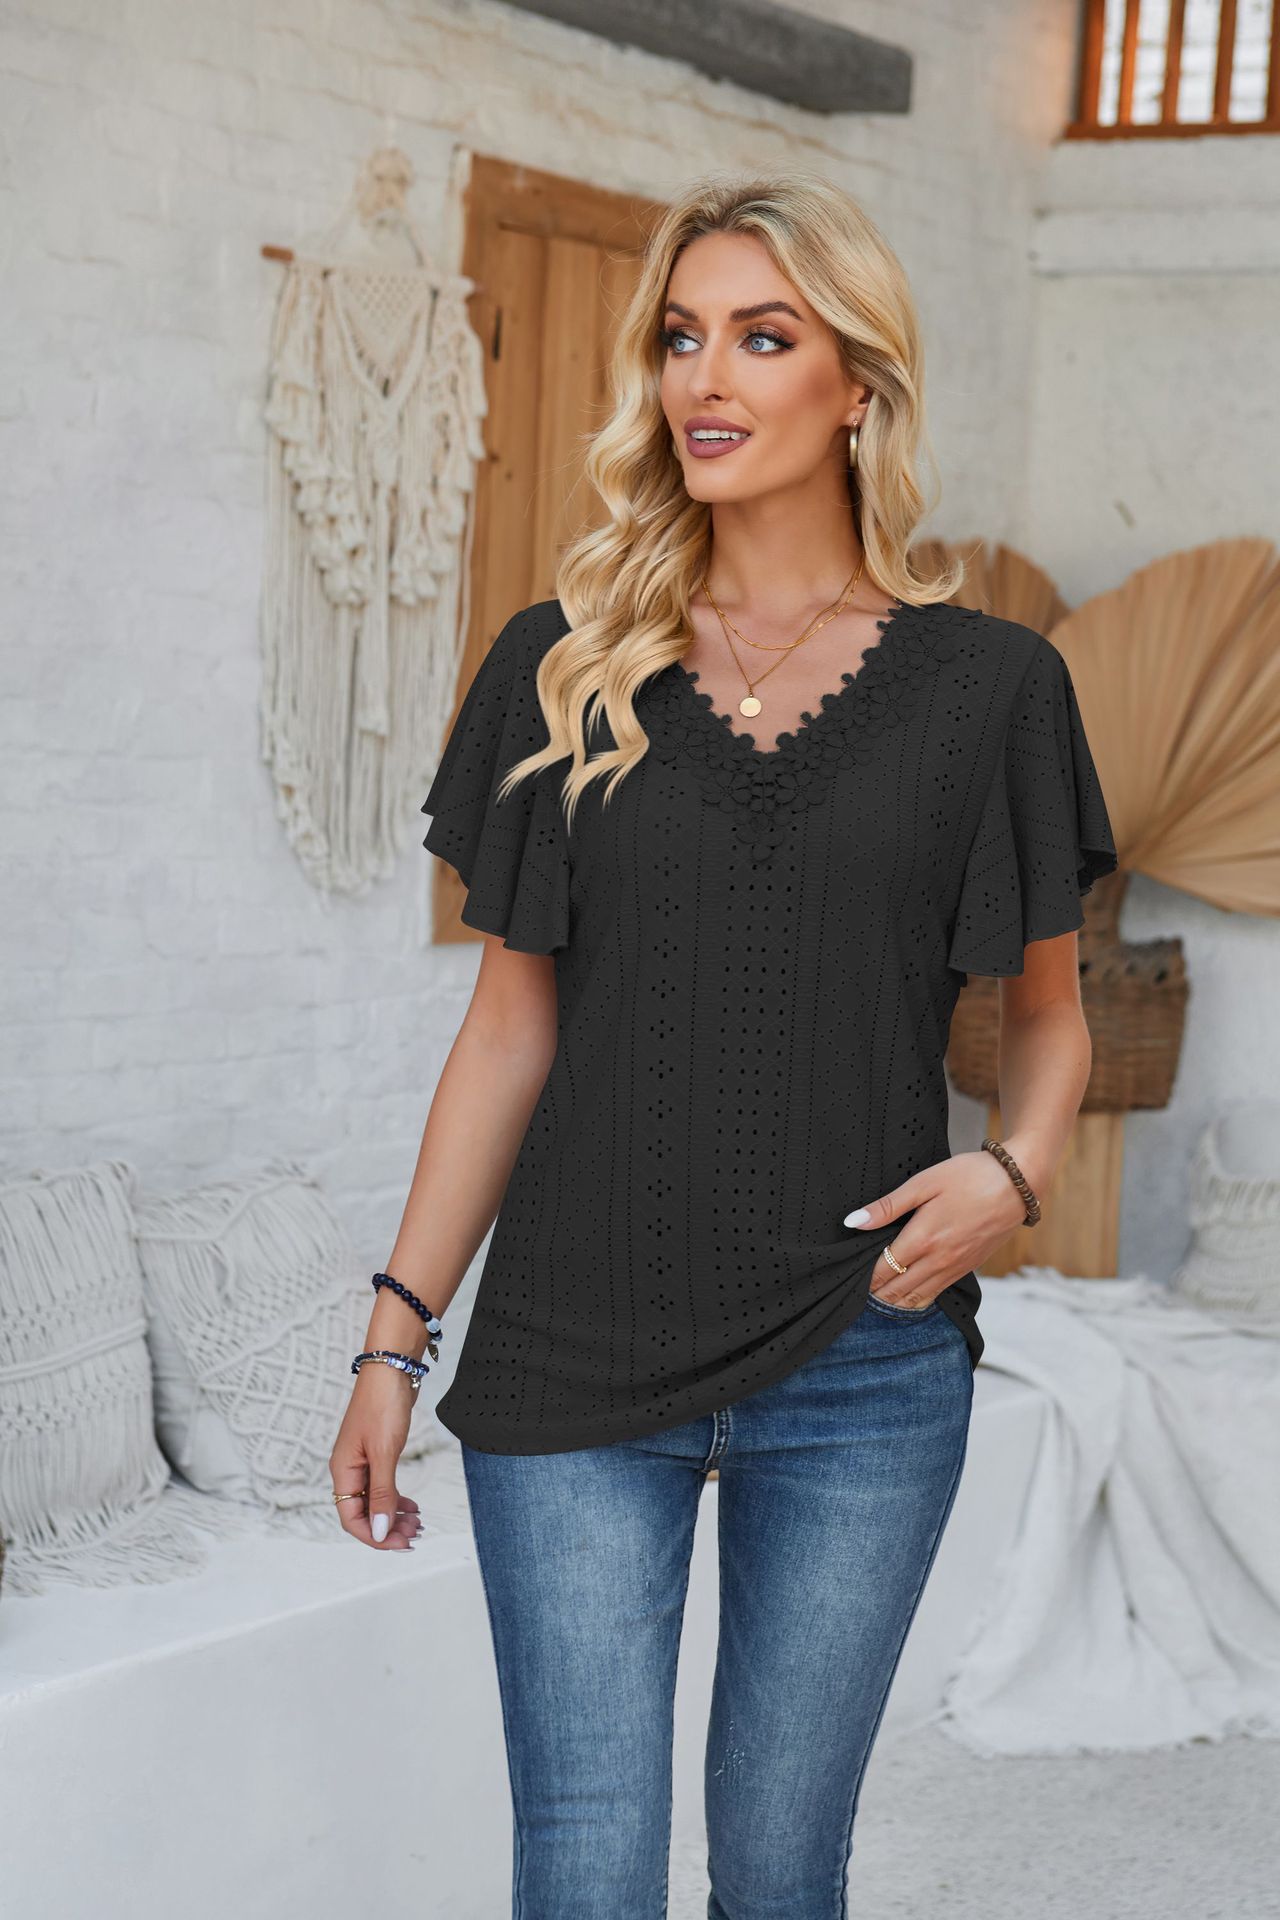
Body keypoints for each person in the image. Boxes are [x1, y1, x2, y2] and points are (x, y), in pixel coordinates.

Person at [330, 169, 1118, 1919]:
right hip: (571, 1354)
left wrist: (1015, 1170)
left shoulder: (992, 688)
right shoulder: (562, 665)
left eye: (764, 337)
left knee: (777, 1873)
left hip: (862, 1358)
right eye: (682, 336)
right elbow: (505, 1034)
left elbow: (1049, 1017)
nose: (705, 375)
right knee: (586, 1874)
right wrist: (393, 1337)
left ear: (858, 386)